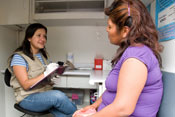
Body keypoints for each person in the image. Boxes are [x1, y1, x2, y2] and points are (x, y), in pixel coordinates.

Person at [73, 0, 163, 117]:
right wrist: (94, 106)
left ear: (125, 30)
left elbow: (123, 108)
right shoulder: (133, 51)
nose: (107, 29)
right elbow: (112, 90)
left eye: (110, 26)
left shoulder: (135, 58)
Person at [7, 23, 77, 117]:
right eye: (38, 35)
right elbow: (25, 85)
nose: (43, 39)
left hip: (44, 95)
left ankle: (78, 114)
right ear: (29, 38)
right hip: (27, 98)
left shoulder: (44, 56)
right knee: (58, 96)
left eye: (44, 36)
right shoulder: (19, 57)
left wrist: (52, 80)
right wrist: (45, 74)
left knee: (67, 115)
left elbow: (45, 80)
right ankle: (84, 114)